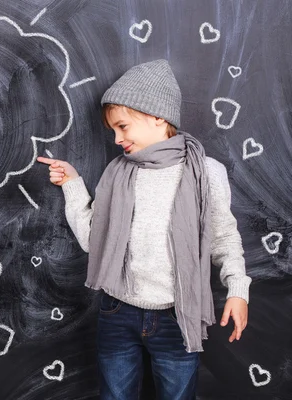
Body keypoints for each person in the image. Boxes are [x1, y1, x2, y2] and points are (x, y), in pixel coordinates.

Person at [38, 59, 251, 399]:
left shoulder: (205, 172)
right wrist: (73, 184)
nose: (118, 138)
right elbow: (95, 242)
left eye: (123, 127)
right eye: (113, 131)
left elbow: (223, 235)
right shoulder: (119, 172)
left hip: (176, 315)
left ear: (157, 116)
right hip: (117, 311)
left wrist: (238, 289)